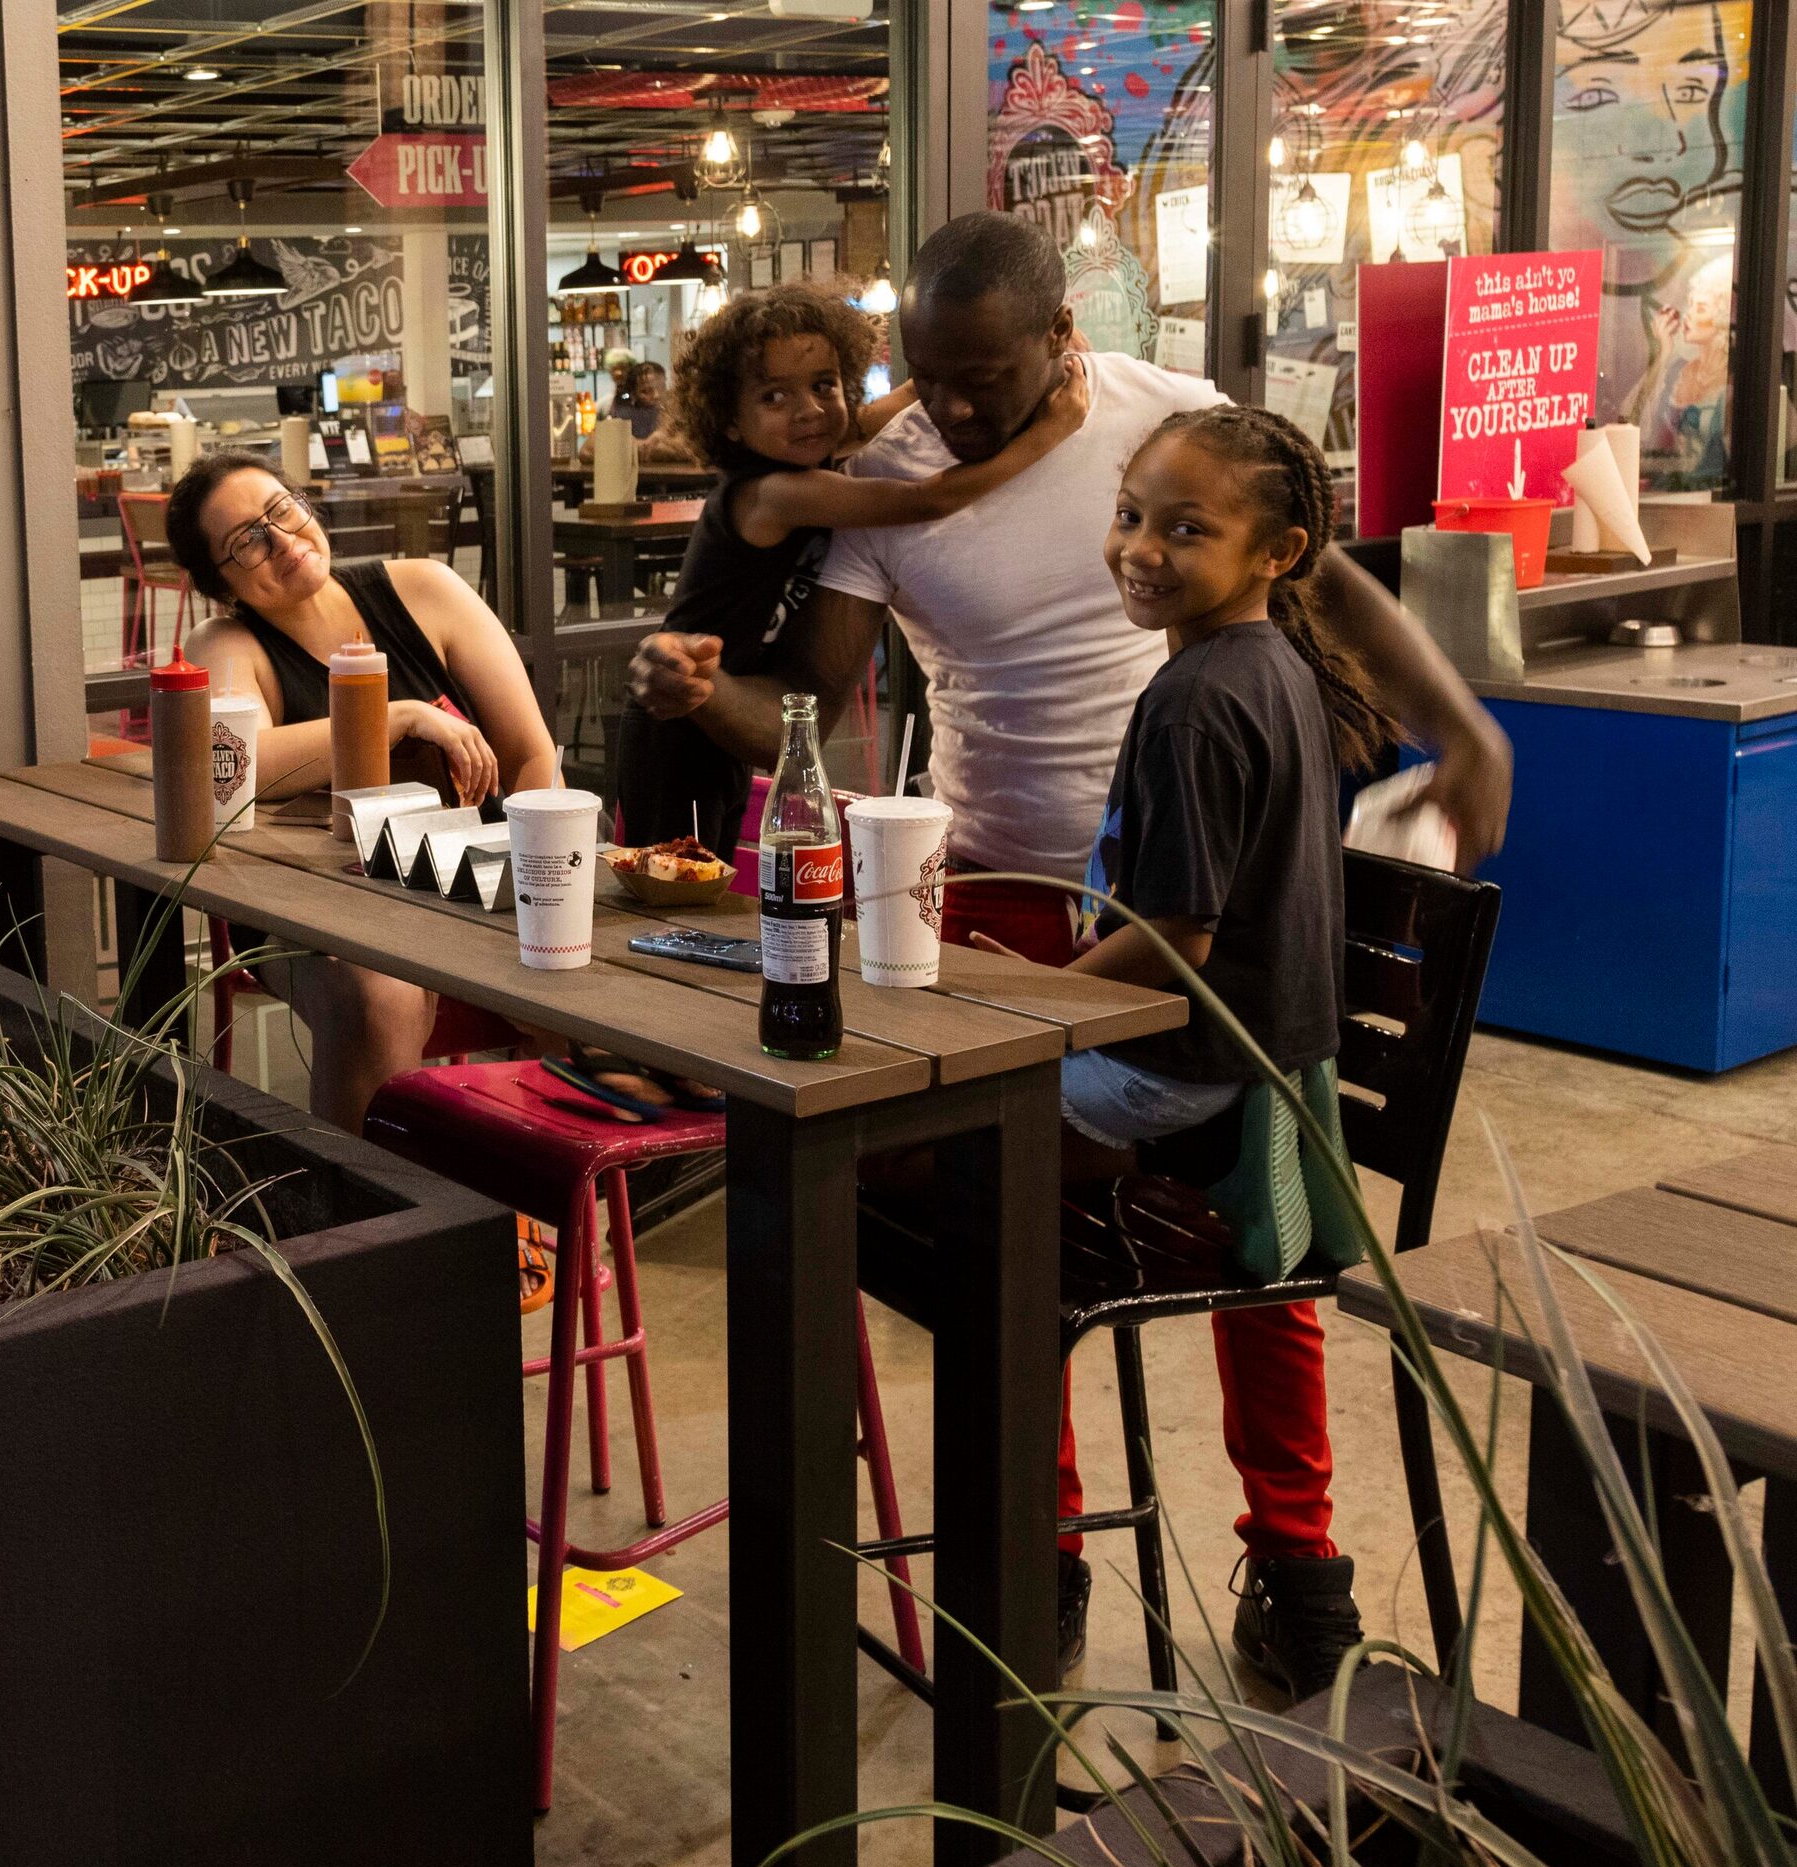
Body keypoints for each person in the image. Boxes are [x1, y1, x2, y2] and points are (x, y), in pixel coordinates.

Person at [626, 212, 1516, 1687]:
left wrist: (1464, 722)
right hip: (1007, 879)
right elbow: (808, 694)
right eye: (930, 373)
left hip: (1177, 916)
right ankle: (1032, 1546)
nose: (954, 405)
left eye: (986, 374)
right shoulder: (880, 487)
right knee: (999, 1211)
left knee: (1262, 1225)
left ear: (1064, 341)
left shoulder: (1166, 428)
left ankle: (1296, 1555)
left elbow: (1332, 578)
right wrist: (686, 687)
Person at [984, 402, 1400, 1693]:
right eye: (1129, 517)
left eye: (1184, 528)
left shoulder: (1192, 703)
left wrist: (1036, 995)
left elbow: (1175, 935)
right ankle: (1297, 1571)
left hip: (1187, 1078)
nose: (1140, 549)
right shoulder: (1275, 665)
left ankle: (1034, 1547)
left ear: (1276, 551)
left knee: (964, 1179)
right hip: (1278, 1078)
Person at [612, 279, 1087, 848]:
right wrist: (1050, 432)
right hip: (676, 714)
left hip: (721, 701)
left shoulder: (797, 449)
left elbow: (859, 423)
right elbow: (928, 498)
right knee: (671, 876)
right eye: (774, 397)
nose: (809, 411)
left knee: (709, 870)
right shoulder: (776, 493)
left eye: (824, 384)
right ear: (730, 420)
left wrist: (947, 373)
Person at [170, 453, 563, 1132]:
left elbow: (529, 755)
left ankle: (536, 1214)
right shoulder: (228, 642)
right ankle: (369, 1220)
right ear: (219, 584)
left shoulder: (424, 589)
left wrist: (528, 888)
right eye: (246, 543)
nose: (283, 542)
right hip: (317, 916)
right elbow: (240, 766)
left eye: (282, 511)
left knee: (583, 982)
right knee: (377, 993)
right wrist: (397, 716)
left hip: (481, 885)